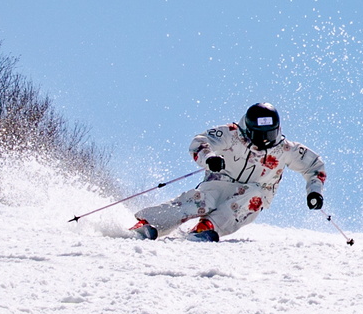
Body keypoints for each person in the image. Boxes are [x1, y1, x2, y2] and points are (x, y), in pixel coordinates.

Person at [130, 103, 326, 242]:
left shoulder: (285, 149)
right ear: (248, 129)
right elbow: (201, 142)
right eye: (259, 135)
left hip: (253, 192)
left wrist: (314, 192)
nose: (264, 141)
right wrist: (210, 158)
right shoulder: (232, 134)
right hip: (220, 182)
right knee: (201, 200)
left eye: (269, 134)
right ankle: (149, 224)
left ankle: (208, 227)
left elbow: (314, 166)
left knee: (252, 196)